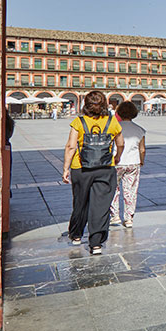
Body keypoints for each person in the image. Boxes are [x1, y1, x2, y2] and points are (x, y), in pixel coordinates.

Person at [62, 90, 124, 255]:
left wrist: (66, 168)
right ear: (104, 105)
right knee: (101, 206)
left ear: (86, 105)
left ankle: (76, 235)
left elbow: (71, 146)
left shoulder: (78, 122)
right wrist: (117, 157)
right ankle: (96, 244)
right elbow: (121, 143)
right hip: (105, 168)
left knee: (80, 202)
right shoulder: (112, 122)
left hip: (81, 168)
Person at [109, 101, 146, 228]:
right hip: (133, 162)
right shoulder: (139, 130)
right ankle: (129, 218)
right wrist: (141, 160)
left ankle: (115, 216)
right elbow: (142, 149)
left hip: (117, 162)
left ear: (119, 112)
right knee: (131, 191)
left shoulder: (114, 127)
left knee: (114, 188)